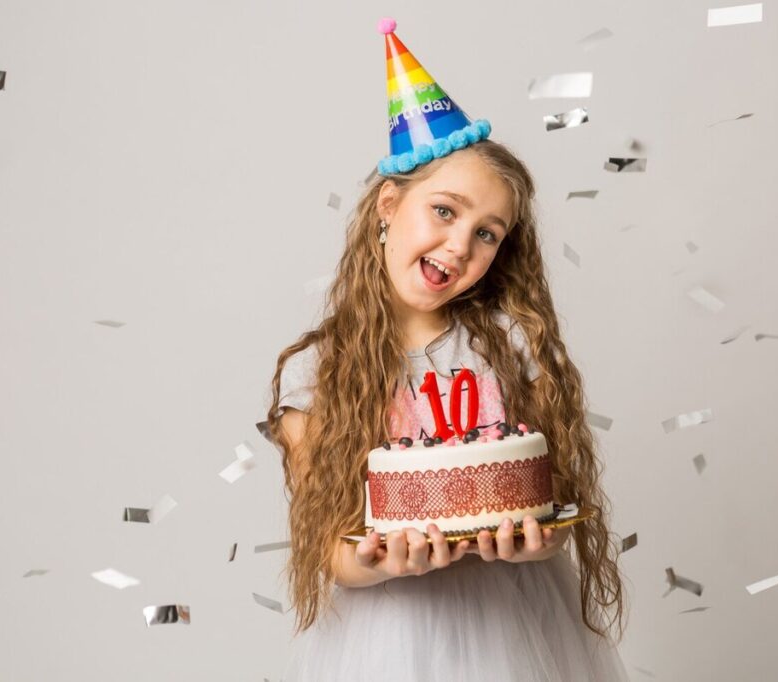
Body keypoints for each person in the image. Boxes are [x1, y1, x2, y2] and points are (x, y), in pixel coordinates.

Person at [265, 18, 629, 681]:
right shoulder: (318, 375)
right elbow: (328, 548)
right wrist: (377, 560)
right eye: (444, 211)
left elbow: (549, 502)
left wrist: (538, 543)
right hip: (390, 638)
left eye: (488, 233)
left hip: (516, 624)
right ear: (388, 204)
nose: (462, 245)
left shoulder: (509, 351)